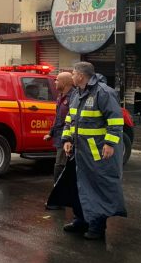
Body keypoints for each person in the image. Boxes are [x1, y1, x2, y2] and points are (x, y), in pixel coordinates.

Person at [61, 62, 126, 240]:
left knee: (97, 189)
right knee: (79, 187)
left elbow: (115, 120)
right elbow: (70, 119)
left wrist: (110, 144)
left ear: (81, 76)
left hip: (96, 152)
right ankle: (80, 220)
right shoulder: (77, 93)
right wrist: (67, 139)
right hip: (79, 152)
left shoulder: (103, 92)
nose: (72, 76)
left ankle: (97, 227)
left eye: (73, 73)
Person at [43, 71, 74, 210]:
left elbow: (72, 120)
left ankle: (58, 201)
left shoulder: (74, 97)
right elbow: (58, 117)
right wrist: (50, 133)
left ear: (65, 83)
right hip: (60, 136)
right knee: (61, 167)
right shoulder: (61, 97)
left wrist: (69, 138)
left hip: (67, 138)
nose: (54, 82)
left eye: (57, 80)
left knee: (59, 167)